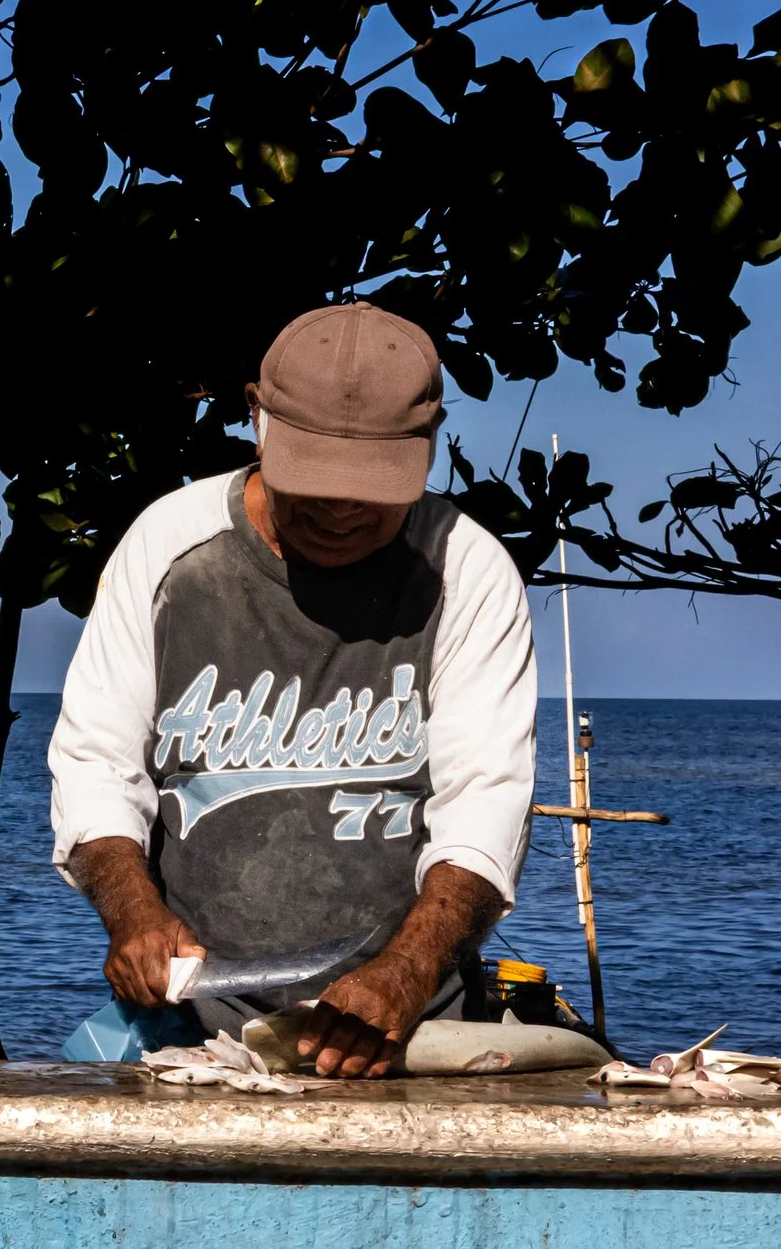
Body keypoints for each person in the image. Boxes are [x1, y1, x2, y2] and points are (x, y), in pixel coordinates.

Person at [48, 301, 537, 1077]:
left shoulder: (470, 572)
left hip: (402, 1034)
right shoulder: (168, 547)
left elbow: (486, 802)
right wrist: (133, 912)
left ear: (428, 446)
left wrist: (406, 973)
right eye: (316, 480)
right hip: (189, 1031)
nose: (341, 508)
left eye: (370, 486)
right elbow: (96, 764)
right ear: (257, 420)